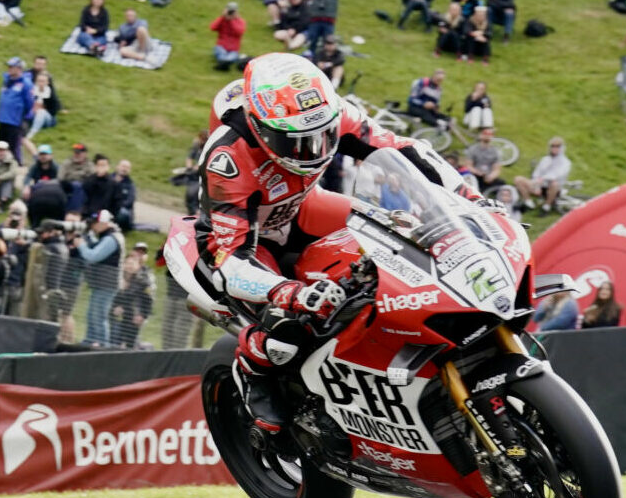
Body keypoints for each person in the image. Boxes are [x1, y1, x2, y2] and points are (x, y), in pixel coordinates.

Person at [198, 53, 468, 432]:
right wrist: (288, 292)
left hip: (301, 209)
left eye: (323, 137)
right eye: (298, 143)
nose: (315, 151)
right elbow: (230, 260)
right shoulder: (228, 159)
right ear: (261, 129)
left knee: (401, 234)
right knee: (289, 326)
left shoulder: (330, 110)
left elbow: (403, 150)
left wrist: (465, 197)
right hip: (242, 244)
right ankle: (252, 369)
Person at [76, 211, 123, 346]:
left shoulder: (111, 238)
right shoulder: (108, 236)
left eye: (95, 224)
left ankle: (102, 346)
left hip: (107, 284)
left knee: (98, 316)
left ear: (104, 223)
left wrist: (81, 245)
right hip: (102, 283)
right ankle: (89, 342)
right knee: (92, 314)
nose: (93, 227)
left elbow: (93, 256)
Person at [515, 138, 571, 214]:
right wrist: (536, 185)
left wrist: (543, 179)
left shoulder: (565, 162)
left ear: (562, 148)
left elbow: (557, 175)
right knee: (518, 179)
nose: (554, 148)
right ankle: (528, 203)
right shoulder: (545, 159)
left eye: (557, 146)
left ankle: (546, 207)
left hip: (554, 188)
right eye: (553, 146)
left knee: (554, 183)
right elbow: (537, 173)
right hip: (540, 185)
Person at [211, 2, 246, 71]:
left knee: (231, 57)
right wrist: (222, 17)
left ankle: (223, 64)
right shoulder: (222, 20)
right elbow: (213, 27)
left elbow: (239, 32)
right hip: (221, 46)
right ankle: (224, 63)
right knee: (220, 52)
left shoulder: (240, 21)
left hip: (233, 49)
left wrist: (232, 20)